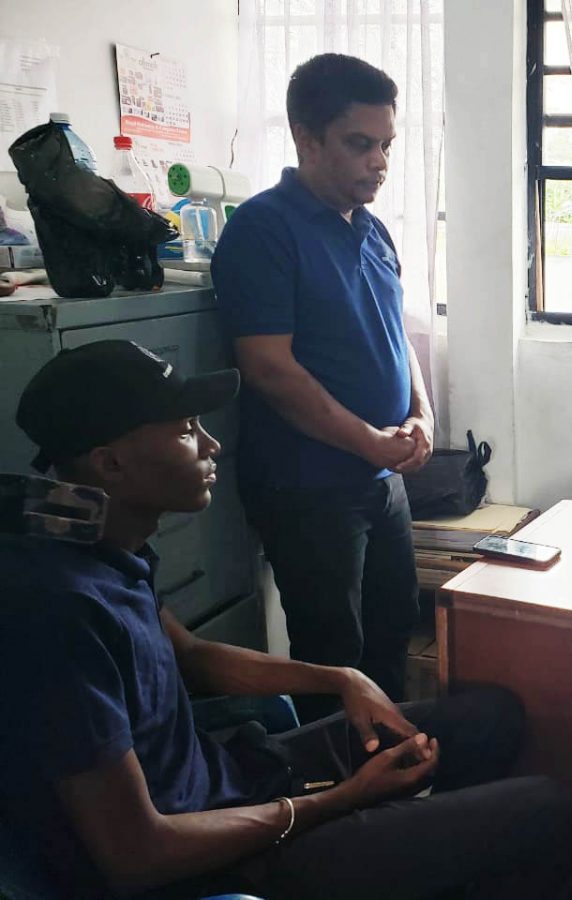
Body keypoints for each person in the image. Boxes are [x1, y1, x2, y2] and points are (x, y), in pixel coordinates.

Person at [0, 341, 572, 900]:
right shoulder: (59, 611)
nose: (212, 447)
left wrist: (339, 679)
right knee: (551, 806)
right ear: (112, 464)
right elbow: (137, 854)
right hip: (209, 861)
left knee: (491, 717)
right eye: (185, 431)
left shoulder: (112, 552)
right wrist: (341, 801)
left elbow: (193, 657)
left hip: (232, 781)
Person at [212, 53, 431, 721]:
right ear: (307, 139)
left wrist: (421, 414)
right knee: (336, 658)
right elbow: (270, 369)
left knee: (396, 631)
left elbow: (399, 337)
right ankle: (337, 806)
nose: (379, 162)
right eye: (359, 144)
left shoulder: (372, 230)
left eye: (387, 145)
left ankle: (393, 782)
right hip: (309, 486)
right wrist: (368, 441)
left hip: (380, 478)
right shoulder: (263, 230)